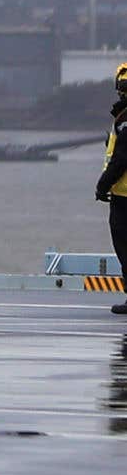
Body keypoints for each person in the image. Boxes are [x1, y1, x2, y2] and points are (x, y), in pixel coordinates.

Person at [98, 63, 127, 311]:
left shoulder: (125, 120)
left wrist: (102, 185)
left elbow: (121, 159)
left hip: (124, 194)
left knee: (124, 244)